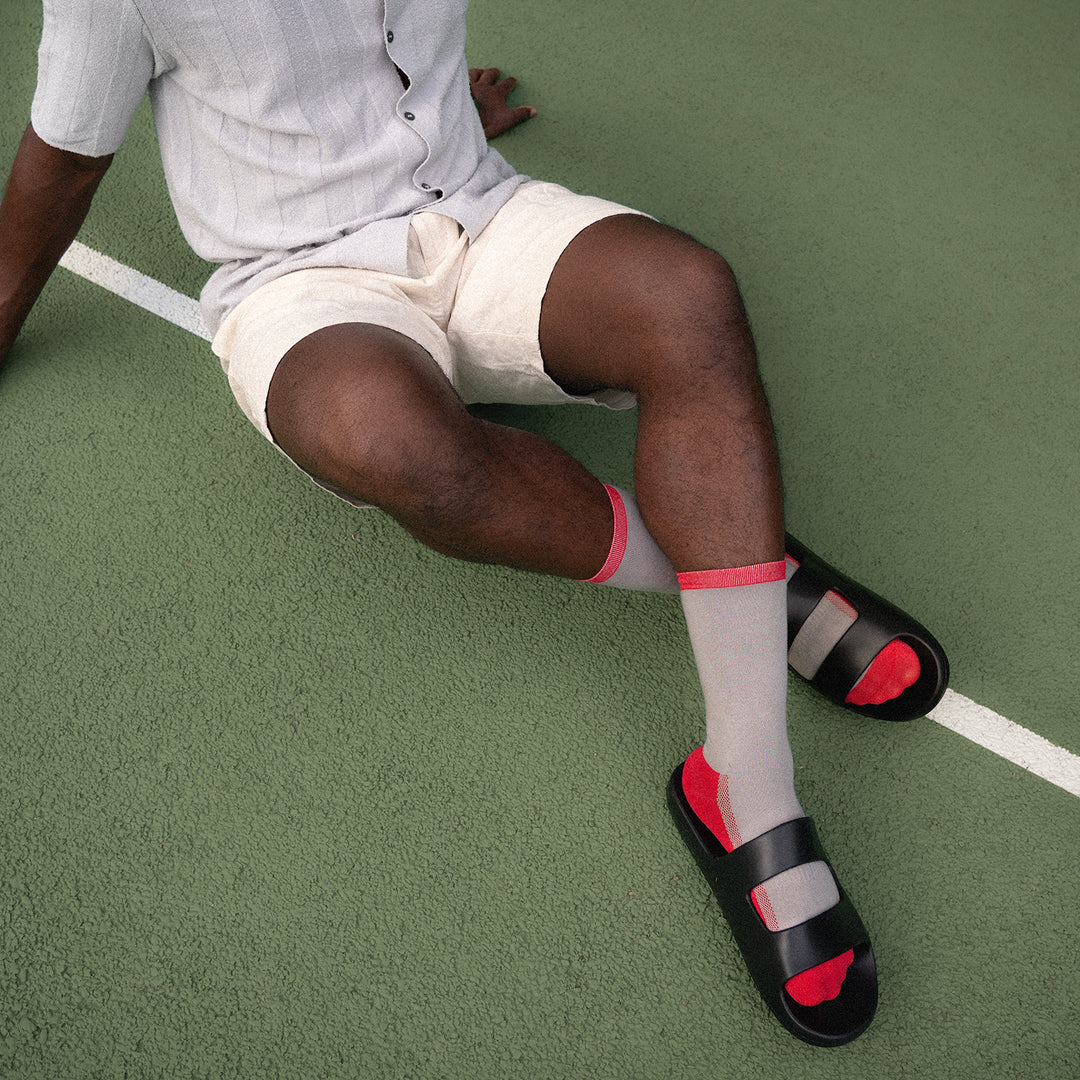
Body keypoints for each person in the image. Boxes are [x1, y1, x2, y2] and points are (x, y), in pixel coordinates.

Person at [0, 0, 948, 1047]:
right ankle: (750, 573)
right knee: (409, 455)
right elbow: (68, 157)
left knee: (689, 293)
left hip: (477, 212)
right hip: (299, 282)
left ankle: (747, 787)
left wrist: (424, 117)